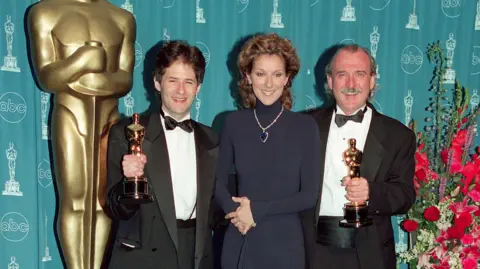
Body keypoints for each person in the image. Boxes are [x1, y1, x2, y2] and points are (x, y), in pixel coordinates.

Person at [26, 1, 135, 268]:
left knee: (103, 200)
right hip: (70, 113)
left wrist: (97, 81)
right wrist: (82, 60)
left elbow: (125, 79)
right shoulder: (45, 12)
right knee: (74, 199)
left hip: (110, 119)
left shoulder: (122, 19)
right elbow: (47, 77)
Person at [106, 40, 219, 269]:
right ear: (158, 82)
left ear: (198, 87)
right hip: (144, 258)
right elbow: (118, 209)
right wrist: (129, 181)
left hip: (196, 257)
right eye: (173, 80)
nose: (181, 90)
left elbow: (217, 211)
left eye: (188, 82)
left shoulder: (213, 140)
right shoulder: (127, 133)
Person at [302, 44, 416, 269]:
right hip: (311, 254)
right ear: (330, 81)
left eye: (360, 74)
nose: (351, 84)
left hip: (369, 256)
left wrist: (371, 192)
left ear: (372, 81)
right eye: (342, 74)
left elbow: (405, 195)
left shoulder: (398, 135)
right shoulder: (304, 126)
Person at [215, 33, 321, 269]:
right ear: (247, 76)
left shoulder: (305, 127)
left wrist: (256, 212)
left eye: (277, 74)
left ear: (287, 79)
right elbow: (218, 184)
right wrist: (238, 214)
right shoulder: (233, 123)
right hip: (240, 235)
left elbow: (309, 195)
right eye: (260, 74)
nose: (269, 84)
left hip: (284, 243)